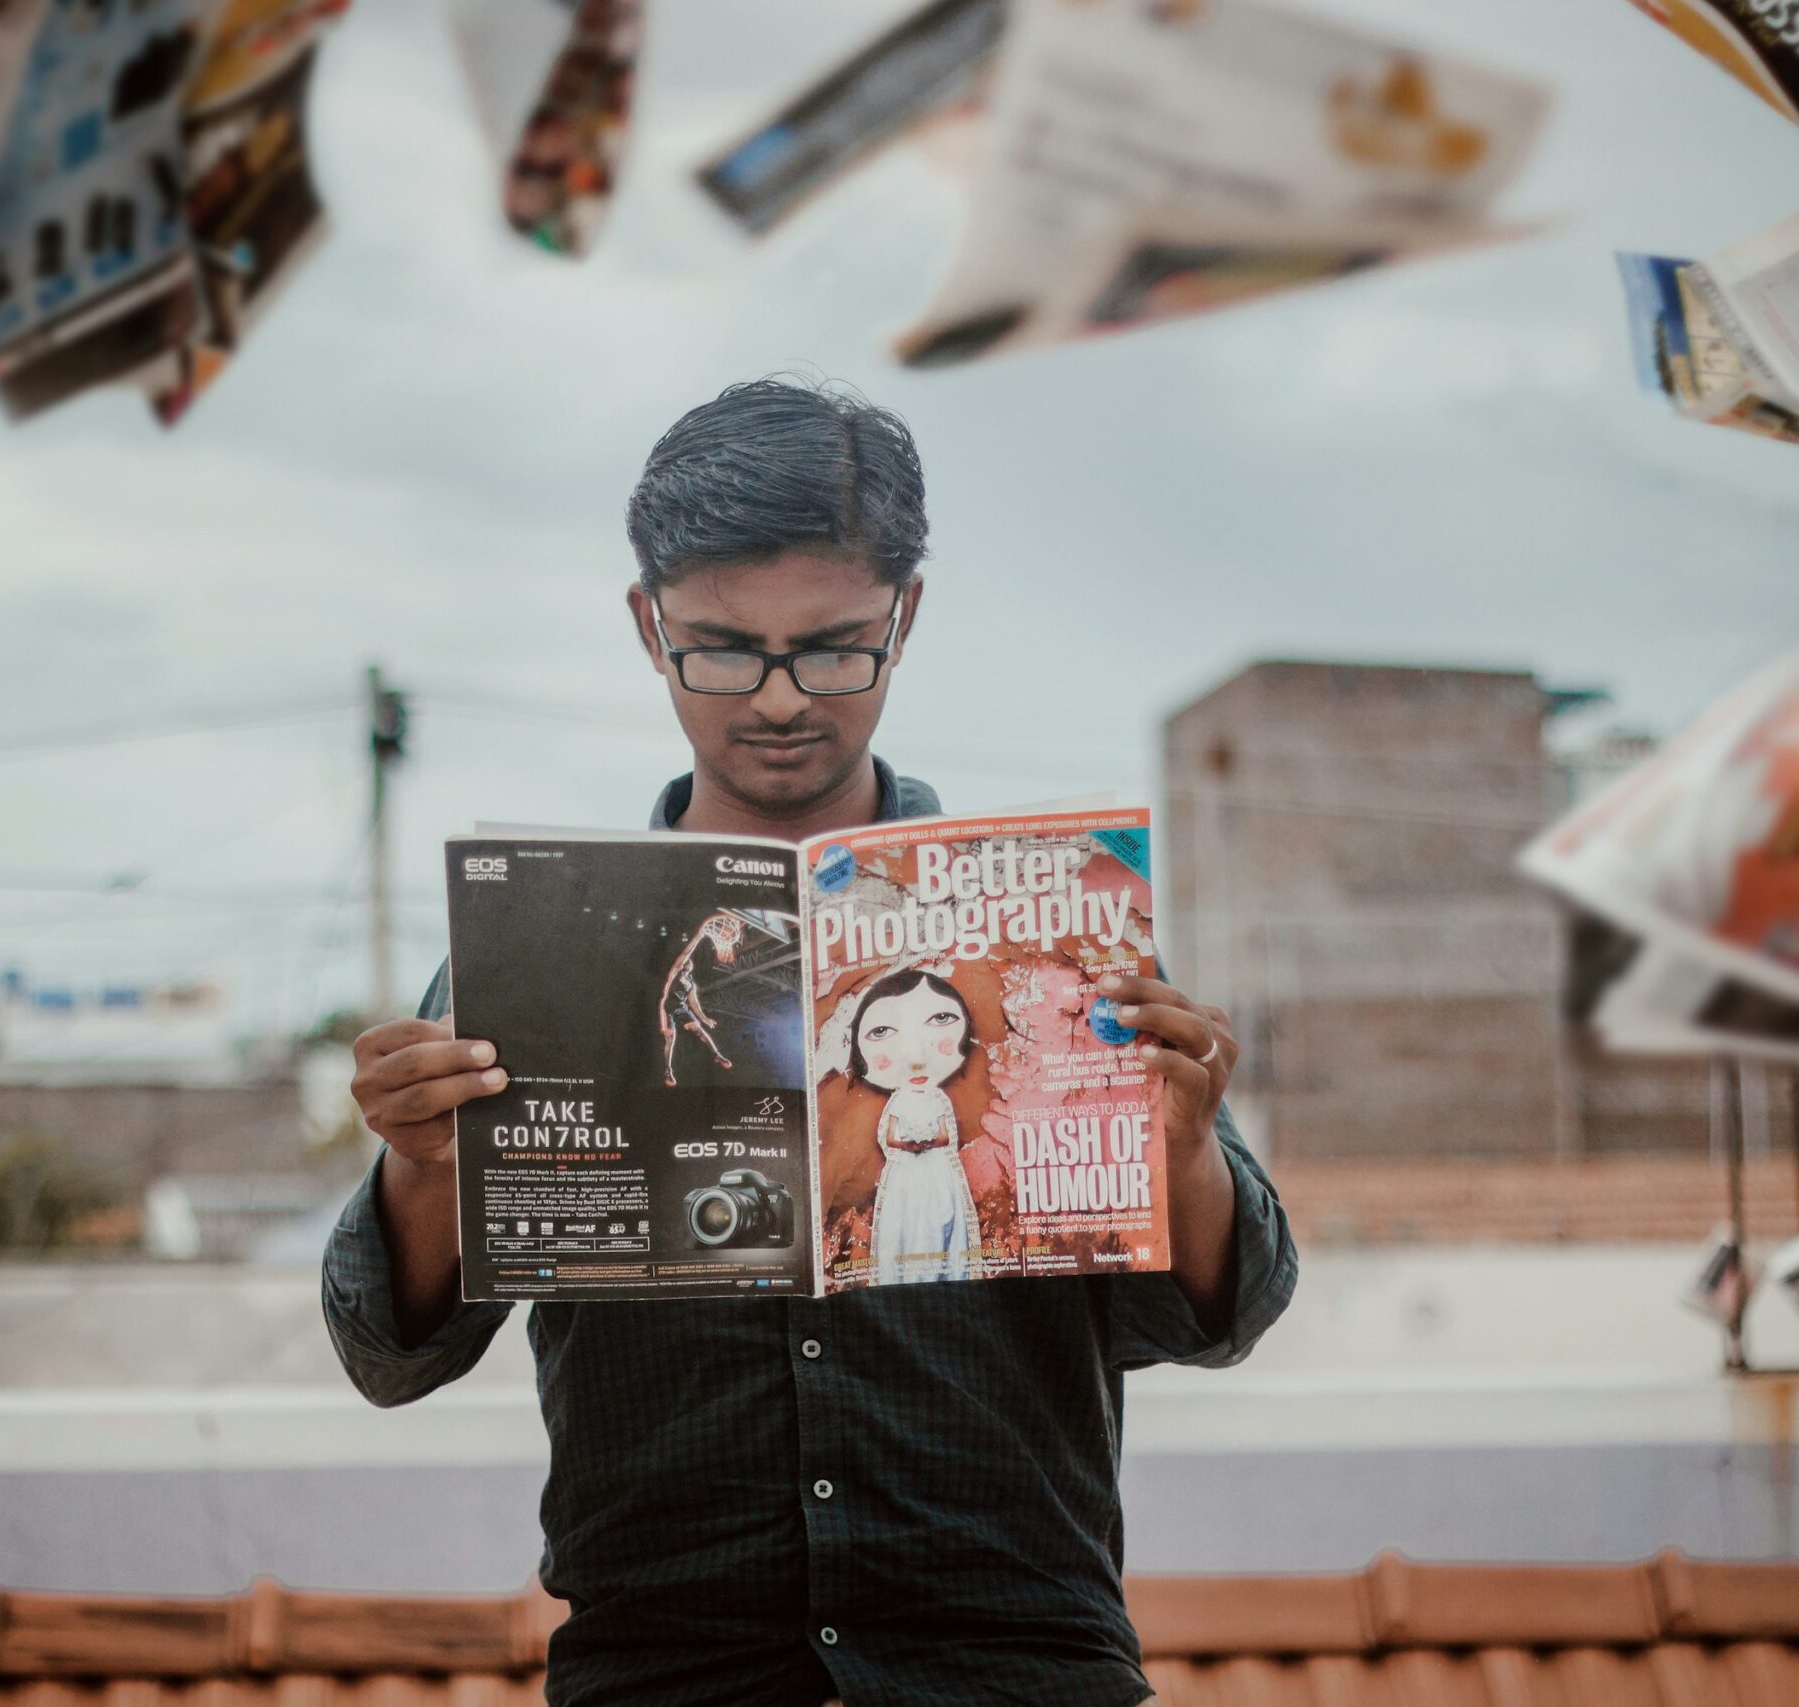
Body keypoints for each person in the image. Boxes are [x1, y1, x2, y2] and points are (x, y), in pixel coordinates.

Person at [325, 377, 1298, 1707]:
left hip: (1012, 1667)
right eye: (721, 648)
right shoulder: (531, 953)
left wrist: (1181, 1143)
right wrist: (422, 1165)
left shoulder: (1054, 931)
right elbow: (392, 1351)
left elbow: (1222, 1314)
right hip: (670, 1669)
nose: (778, 698)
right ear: (645, 625)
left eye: (834, 647)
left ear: (904, 618)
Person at [846, 966, 981, 1285]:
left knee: (940, 1219)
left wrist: (928, 1143)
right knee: (904, 1224)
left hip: (936, 1171)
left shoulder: (937, 1099)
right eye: (881, 1031)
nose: (917, 1058)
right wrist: (909, 1145)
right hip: (906, 1173)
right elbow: (889, 1137)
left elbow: (947, 1135)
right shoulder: (899, 1102)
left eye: (940, 1019)